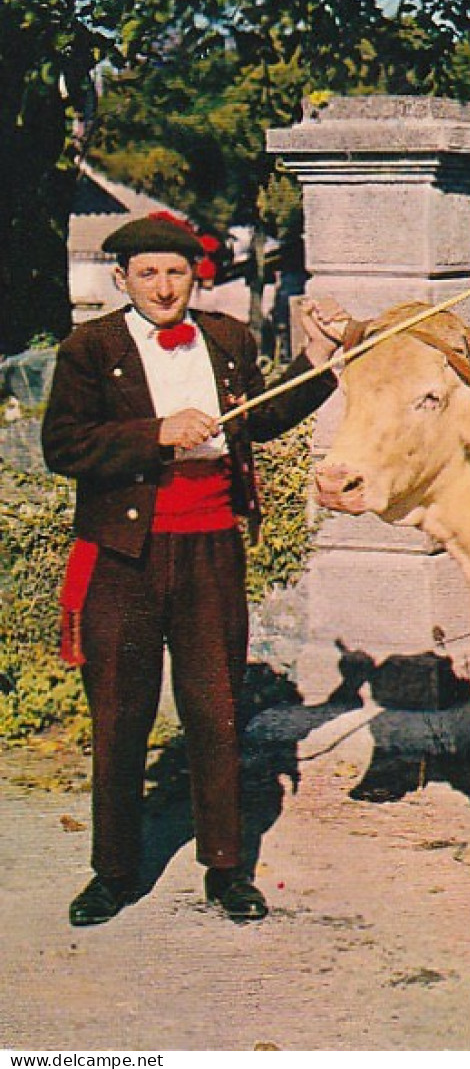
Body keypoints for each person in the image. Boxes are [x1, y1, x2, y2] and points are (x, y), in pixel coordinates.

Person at [42, 212, 344, 925]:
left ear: (195, 275)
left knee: (215, 711)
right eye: (147, 272)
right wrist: (155, 434)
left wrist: (320, 358)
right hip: (124, 556)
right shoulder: (91, 346)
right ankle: (113, 872)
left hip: (212, 549)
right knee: (121, 714)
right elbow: (63, 444)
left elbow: (263, 419)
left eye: (176, 271)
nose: (163, 285)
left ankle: (226, 867)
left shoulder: (229, 339)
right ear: (122, 279)